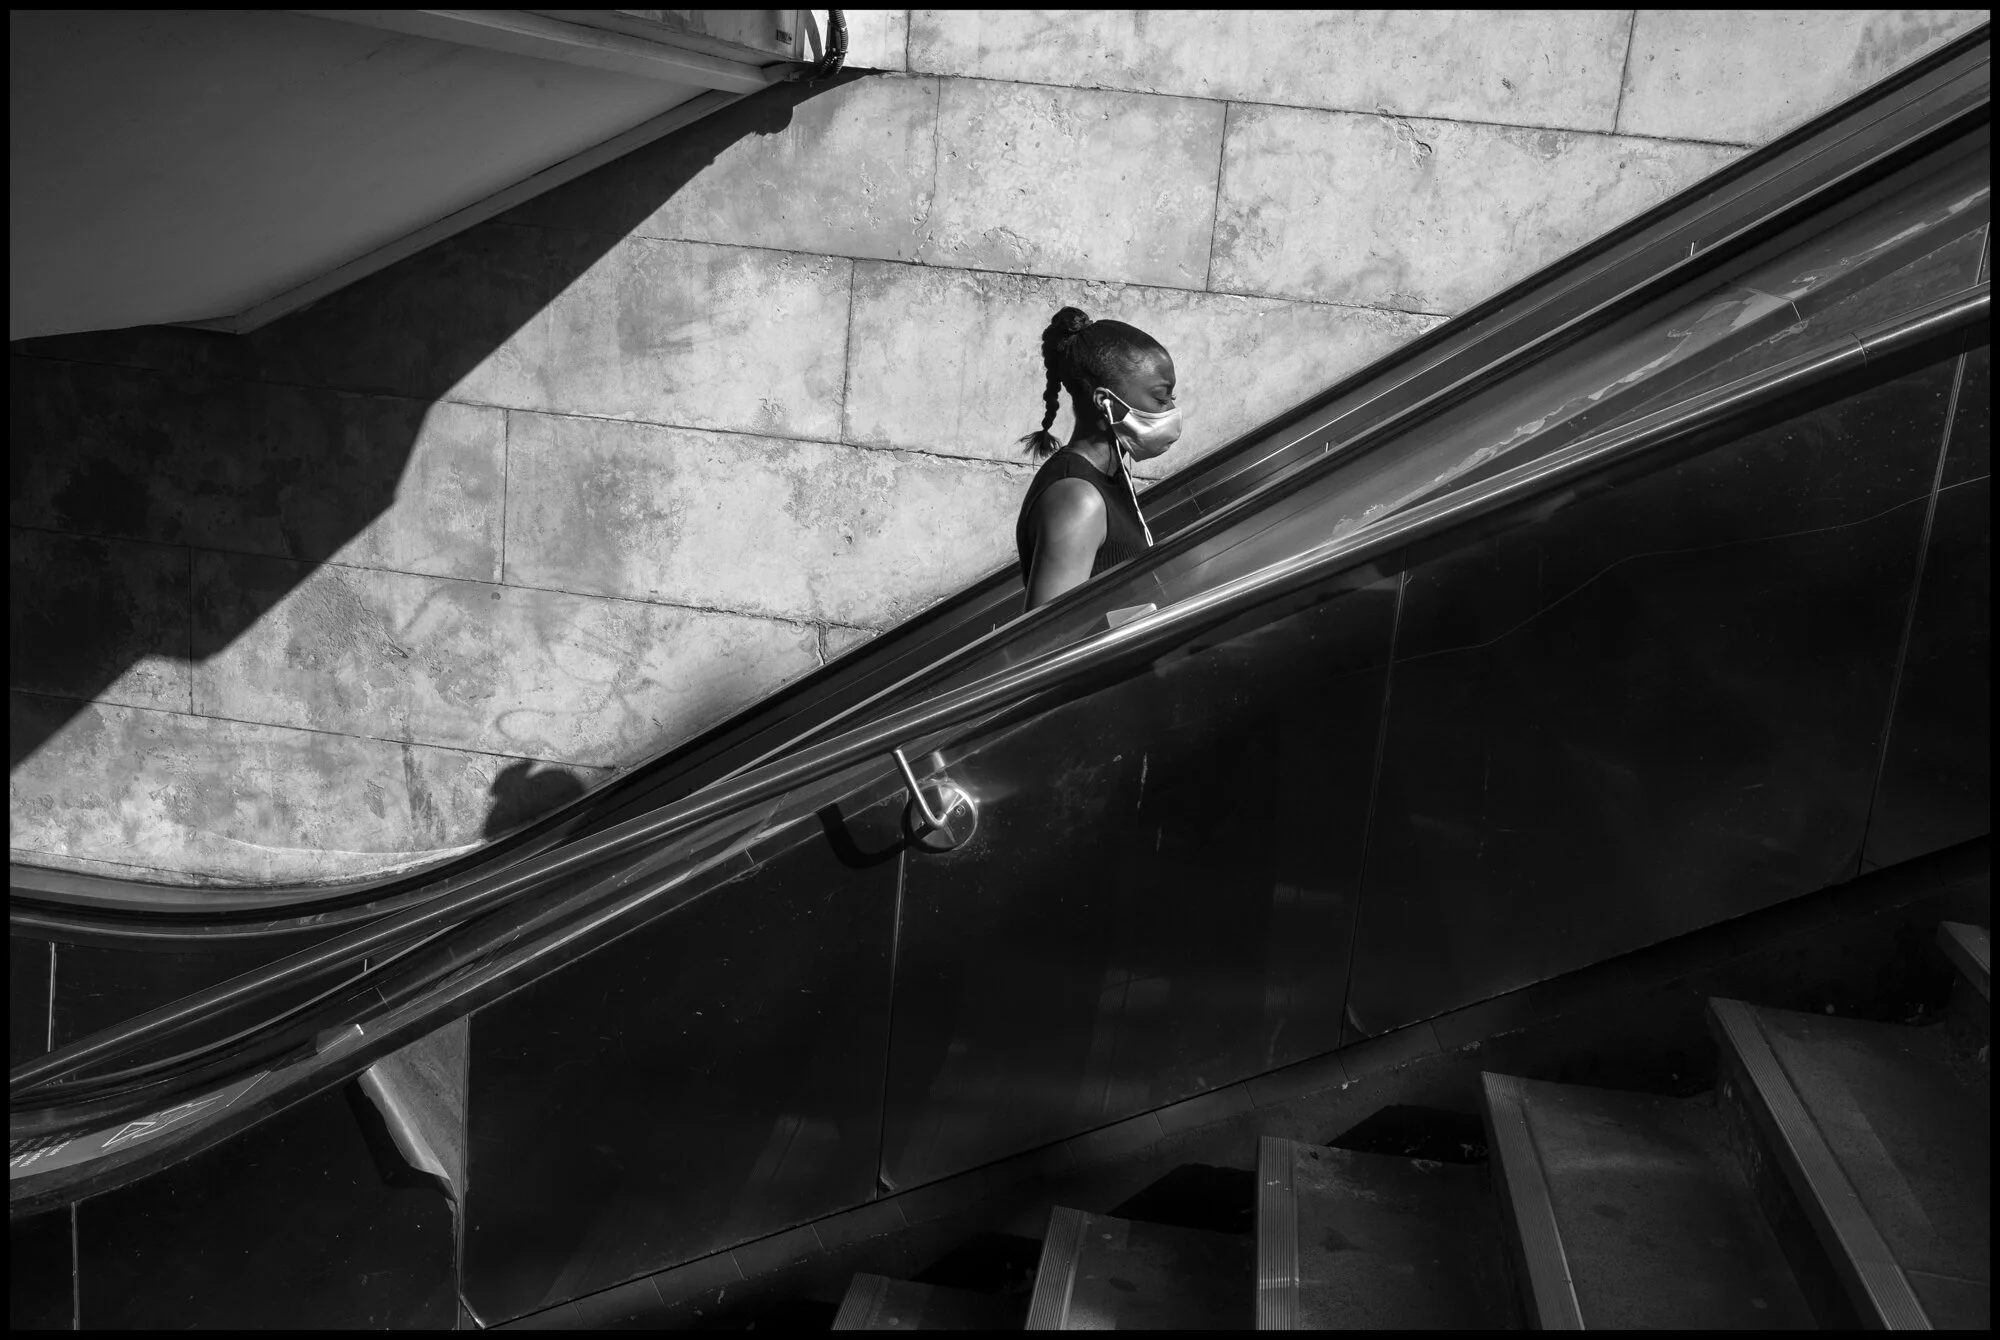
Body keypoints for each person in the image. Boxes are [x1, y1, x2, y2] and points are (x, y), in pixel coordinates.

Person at [1014, 307, 1182, 610]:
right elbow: (1046, 640)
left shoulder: (1111, 475)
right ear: (1105, 401)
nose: (1170, 410)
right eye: (1160, 398)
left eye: (1171, 398)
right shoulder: (1078, 498)